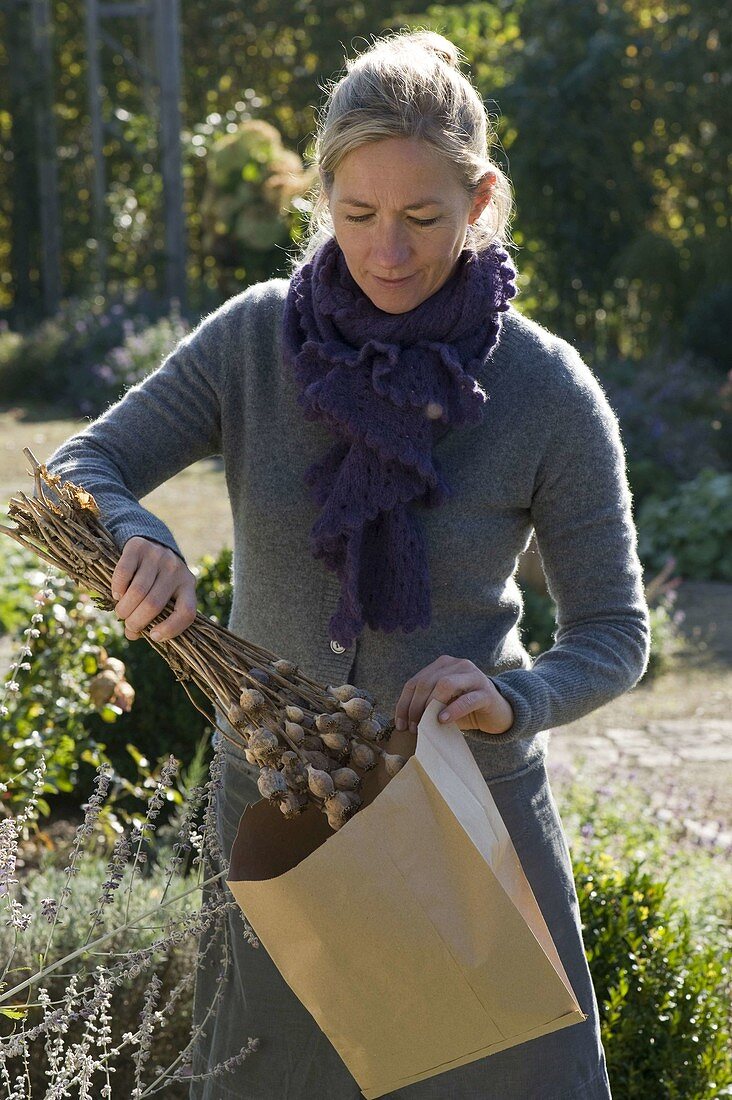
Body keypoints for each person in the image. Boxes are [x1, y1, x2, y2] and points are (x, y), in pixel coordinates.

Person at [44, 29, 650, 1098]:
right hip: (283, 816)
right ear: (321, 200)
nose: (390, 250)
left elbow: (615, 633)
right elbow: (86, 461)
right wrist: (139, 533)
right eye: (359, 215)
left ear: (483, 201)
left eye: (423, 217)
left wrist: (513, 697)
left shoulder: (549, 391)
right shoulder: (252, 342)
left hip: (471, 821)